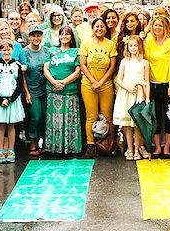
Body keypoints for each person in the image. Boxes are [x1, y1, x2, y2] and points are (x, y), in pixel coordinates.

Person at [78, 17, 118, 157]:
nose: (99, 29)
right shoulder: (86, 43)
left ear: (105, 28)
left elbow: (112, 66)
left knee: (108, 116)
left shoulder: (110, 44)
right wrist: (93, 81)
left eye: (102, 26)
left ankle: (110, 144)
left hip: (106, 85)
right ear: (93, 28)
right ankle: (91, 146)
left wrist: (101, 82)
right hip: (88, 85)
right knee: (91, 116)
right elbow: (82, 64)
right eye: (97, 26)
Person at [143, 12, 170, 158]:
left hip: (166, 84)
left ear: (165, 27)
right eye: (155, 25)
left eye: (160, 25)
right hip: (152, 83)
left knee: (169, 116)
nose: (157, 28)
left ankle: (167, 147)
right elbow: (145, 60)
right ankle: (157, 147)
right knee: (155, 116)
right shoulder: (149, 41)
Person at [43, 25, 83, 157]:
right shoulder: (51, 51)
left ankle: (70, 149)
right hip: (53, 91)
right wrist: (54, 82)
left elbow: (77, 72)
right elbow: (46, 69)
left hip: (70, 91)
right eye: (62, 34)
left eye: (67, 34)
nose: (64, 36)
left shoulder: (76, 51)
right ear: (58, 36)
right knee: (54, 120)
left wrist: (63, 83)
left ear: (71, 37)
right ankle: (54, 148)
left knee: (69, 120)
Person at [0, 40, 29, 164]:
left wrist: (10, 99)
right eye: (3, 50)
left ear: (12, 50)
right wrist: (0, 100)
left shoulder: (17, 65)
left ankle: (11, 150)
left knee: (11, 125)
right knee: (0, 125)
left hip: (12, 100)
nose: (6, 52)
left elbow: (20, 84)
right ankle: (0, 150)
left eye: (8, 50)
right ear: (0, 51)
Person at [112, 34, 151, 160]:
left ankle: (137, 148)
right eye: (131, 46)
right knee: (128, 123)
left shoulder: (145, 62)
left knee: (138, 123)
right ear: (127, 47)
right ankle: (129, 148)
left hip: (140, 95)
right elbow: (119, 79)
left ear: (140, 47)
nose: (133, 48)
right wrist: (127, 87)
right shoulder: (124, 61)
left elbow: (147, 81)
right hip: (126, 93)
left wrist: (147, 98)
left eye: (136, 46)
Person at [22, 25, 51, 157]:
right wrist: (26, 92)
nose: (36, 38)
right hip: (32, 90)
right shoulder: (24, 52)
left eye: (38, 35)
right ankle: (32, 141)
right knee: (35, 117)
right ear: (29, 37)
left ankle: (45, 141)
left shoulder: (46, 51)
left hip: (45, 89)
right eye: (33, 35)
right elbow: (22, 74)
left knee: (46, 117)